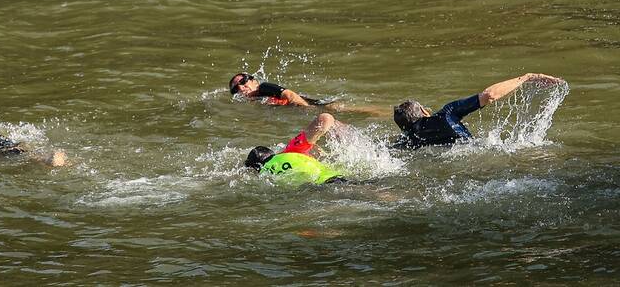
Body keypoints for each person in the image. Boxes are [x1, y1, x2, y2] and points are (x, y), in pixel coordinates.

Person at [392, 73, 564, 149]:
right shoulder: (446, 115)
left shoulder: (408, 140)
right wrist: (526, 78)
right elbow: (489, 95)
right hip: (482, 152)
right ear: (423, 111)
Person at [244, 113, 347, 185]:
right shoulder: (291, 149)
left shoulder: (267, 177)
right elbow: (325, 118)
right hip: (334, 180)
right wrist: (338, 131)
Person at [229, 72, 391, 116]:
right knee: (346, 111)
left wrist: (306, 107)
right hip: (303, 107)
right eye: (236, 88)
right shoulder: (257, 98)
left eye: (242, 82)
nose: (241, 88)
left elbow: (289, 94)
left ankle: (381, 112)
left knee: (347, 110)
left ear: (253, 80)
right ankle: (381, 112)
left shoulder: (263, 87)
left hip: (307, 105)